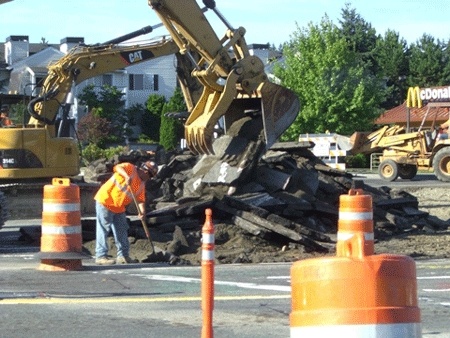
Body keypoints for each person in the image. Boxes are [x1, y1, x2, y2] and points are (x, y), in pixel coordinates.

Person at [94, 160, 158, 265]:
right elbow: (117, 167)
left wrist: (142, 213)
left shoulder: (141, 184)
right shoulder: (130, 168)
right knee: (103, 229)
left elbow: (141, 200)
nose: (149, 179)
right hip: (106, 201)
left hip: (119, 207)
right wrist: (126, 176)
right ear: (147, 173)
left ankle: (123, 256)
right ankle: (101, 256)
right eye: (150, 176)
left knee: (122, 230)